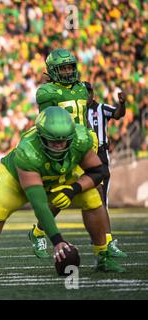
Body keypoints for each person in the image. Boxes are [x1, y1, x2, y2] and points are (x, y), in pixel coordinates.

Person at [0, 107, 125, 278]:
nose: (59, 146)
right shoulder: (28, 150)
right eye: (53, 141)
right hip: (16, 178)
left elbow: (97, 171)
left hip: (58, 176)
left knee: (92, 199)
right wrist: (57, 241)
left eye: (63, 141)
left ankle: (103, 256)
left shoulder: (80, 139)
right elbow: (39, 205)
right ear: (41, 136)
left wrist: (72, 190)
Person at [29, 48, 126, 258]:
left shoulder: (82, 89)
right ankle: (38, 231)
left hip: (84, 147)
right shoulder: (47, 92)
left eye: (69, 67)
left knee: (96, 196)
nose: (67, 71)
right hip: (63, 148)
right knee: (63, 196)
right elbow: (46, 121)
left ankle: (106, 245)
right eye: (62, 68)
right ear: (52, 71)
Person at [85, 81, 127, 257]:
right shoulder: (78, 112)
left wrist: (122, 104)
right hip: (82, 157)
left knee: (101, 199)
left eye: (87, 93)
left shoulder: (101, 108)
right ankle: (40, 231)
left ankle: (107, 240)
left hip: (99, 155)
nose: (85, 96)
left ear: (92, 93)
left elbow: (117, 114)